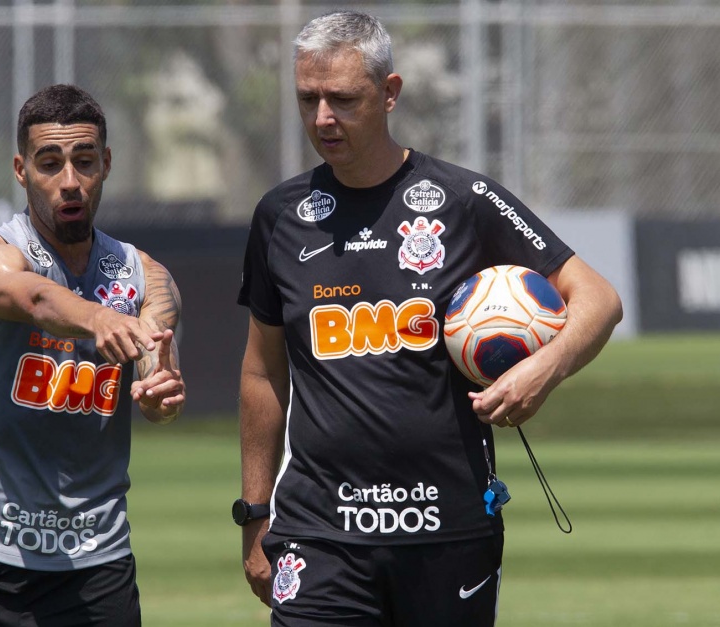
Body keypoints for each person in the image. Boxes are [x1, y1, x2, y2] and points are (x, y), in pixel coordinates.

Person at [234, 11, 621, 627]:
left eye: (343, 99)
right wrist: (254, 511)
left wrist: (542, 370)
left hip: (450, 528)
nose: (323, 118)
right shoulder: (280, 214)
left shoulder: (466, 200)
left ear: (389, 94)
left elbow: (598, 299)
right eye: (308, 99)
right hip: (320, 531)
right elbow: (261, 374)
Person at [0, 84, 185, 627]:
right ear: (20, 169)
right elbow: (29, 297)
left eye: (84, 161)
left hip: (94, 565)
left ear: (105, 164)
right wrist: (100, 317)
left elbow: (157, 376)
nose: (69, 181)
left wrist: (160, 394)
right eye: (50, 163)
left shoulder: (145, 276)